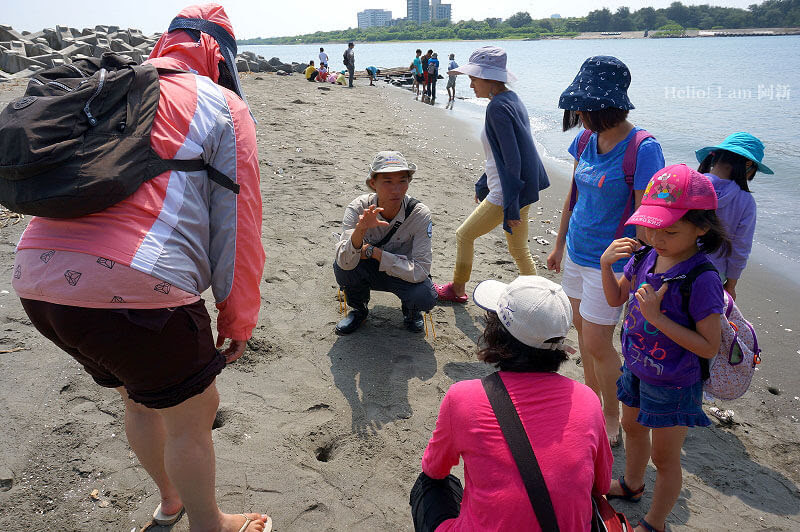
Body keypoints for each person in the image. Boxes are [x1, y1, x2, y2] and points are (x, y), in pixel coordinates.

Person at [9, 4, 270, 532]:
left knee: (140, 398)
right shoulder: (221, 105)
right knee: (192, 416)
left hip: (36, 279)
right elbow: (238, 227)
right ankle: (210, 524)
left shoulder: (115, 88)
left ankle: (170, 502)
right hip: (136, 287)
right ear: (220, 54)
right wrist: (238, 318)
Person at [412, 276, 612, 531]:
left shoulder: (463, 398)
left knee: (431, 485)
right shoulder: (587, 400)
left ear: (497, 333)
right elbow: (602, 486)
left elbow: (434, 469)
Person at [600, 164, 728, 532]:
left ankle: (655, 523)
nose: (657, 238)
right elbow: (615, 300)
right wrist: (606, 265)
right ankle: (631, 484)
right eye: (650, 227)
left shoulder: (702, 279)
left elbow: (708, 347)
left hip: (674, 382)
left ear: (701, 228)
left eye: (670, 231)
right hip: (635, 368)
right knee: (632, 427)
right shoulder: (644, 256)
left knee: (665, 457)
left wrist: (657, 320)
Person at [547, 56, 665, 447]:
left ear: (609, 106)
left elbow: (649, 219)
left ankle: (612, 417)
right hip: (577, 254)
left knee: (599, 343)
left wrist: (637, 270)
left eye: (585, 107)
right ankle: (592, 401)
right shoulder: (584, 139)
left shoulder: (643, 149)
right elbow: (573, 196)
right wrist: (559, 244)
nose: (579, 113)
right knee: (583, 336)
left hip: (611, 265)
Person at [434, 46, 548, 304]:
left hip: (508, 192)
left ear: (490, 78)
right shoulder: (512, 99)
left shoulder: (497, 107)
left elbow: (512, 160)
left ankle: (458, 288)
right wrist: (482, 182)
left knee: (464, 235)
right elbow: (502, 153)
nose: (471, 84)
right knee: (519, 250)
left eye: (474, 79)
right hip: (521, 189)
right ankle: (542, 299)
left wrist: (511, 207)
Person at [333, 151, 436, 334]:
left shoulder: (419, 214)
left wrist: (375, 252)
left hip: (403, 273)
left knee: (425, 296)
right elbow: (344, 260)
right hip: (367, 271)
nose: (396, 189)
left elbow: (421, 270)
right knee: (342, 266)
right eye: (387, 181)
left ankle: (411, 312)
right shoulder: (358, 208)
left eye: (402, 181)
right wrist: (361, 229)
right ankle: (359, 309)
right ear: (373, 183)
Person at [695, 132, 772, 300]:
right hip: (713, 273)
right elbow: (740, 247)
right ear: (749, 165)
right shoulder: (745, 201)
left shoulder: (691, 184)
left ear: (715, 157)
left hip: (675, 262)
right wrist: (731, 284)